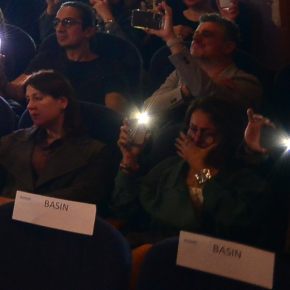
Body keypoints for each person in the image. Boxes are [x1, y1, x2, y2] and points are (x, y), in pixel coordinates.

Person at [114, 97, 275, 248]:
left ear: (226, 137)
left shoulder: (242, 179)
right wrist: (129, 159)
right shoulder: (169, 169)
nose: (196, 139)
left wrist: (200, 169)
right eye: (193, 129)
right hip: (155, 252)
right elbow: (125, 210)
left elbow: (239, 223)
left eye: (208, 133)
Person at [0, 70, 116, 213]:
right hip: (6, 223)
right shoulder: (14, 140)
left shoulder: (95, 151)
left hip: (57, 228)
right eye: (28, 100)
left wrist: (17, 205)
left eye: (38, 98)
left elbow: (81, 199)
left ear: (63, 102)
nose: (30, 106)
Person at [0, 1, 135, 112]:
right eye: (57, 23)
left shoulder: (109, 68)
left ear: (89, 31)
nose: (59, 29)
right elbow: (15, 92)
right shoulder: (47, 58)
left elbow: (113, 115)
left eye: (68, 23)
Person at [143, 7, 261, 116]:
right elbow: (148, 108)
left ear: (228, 47)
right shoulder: (180, 74)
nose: (195, 38)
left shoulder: (244, 82)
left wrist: (171, 39)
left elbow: (202, 89)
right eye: (196, 34)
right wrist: (185, 91)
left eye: (207, 35)